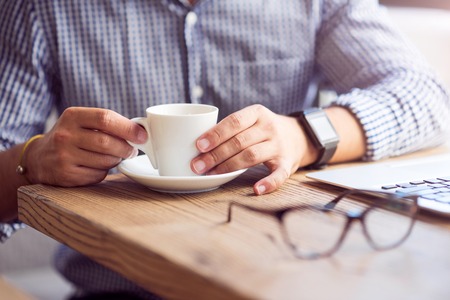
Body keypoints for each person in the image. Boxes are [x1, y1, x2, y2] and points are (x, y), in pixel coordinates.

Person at [1, 0, 449, 299]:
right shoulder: (43, 8)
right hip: (120, 290)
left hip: (291, 280)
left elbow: (428, 98)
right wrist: (32, 161)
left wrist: (303, 136)